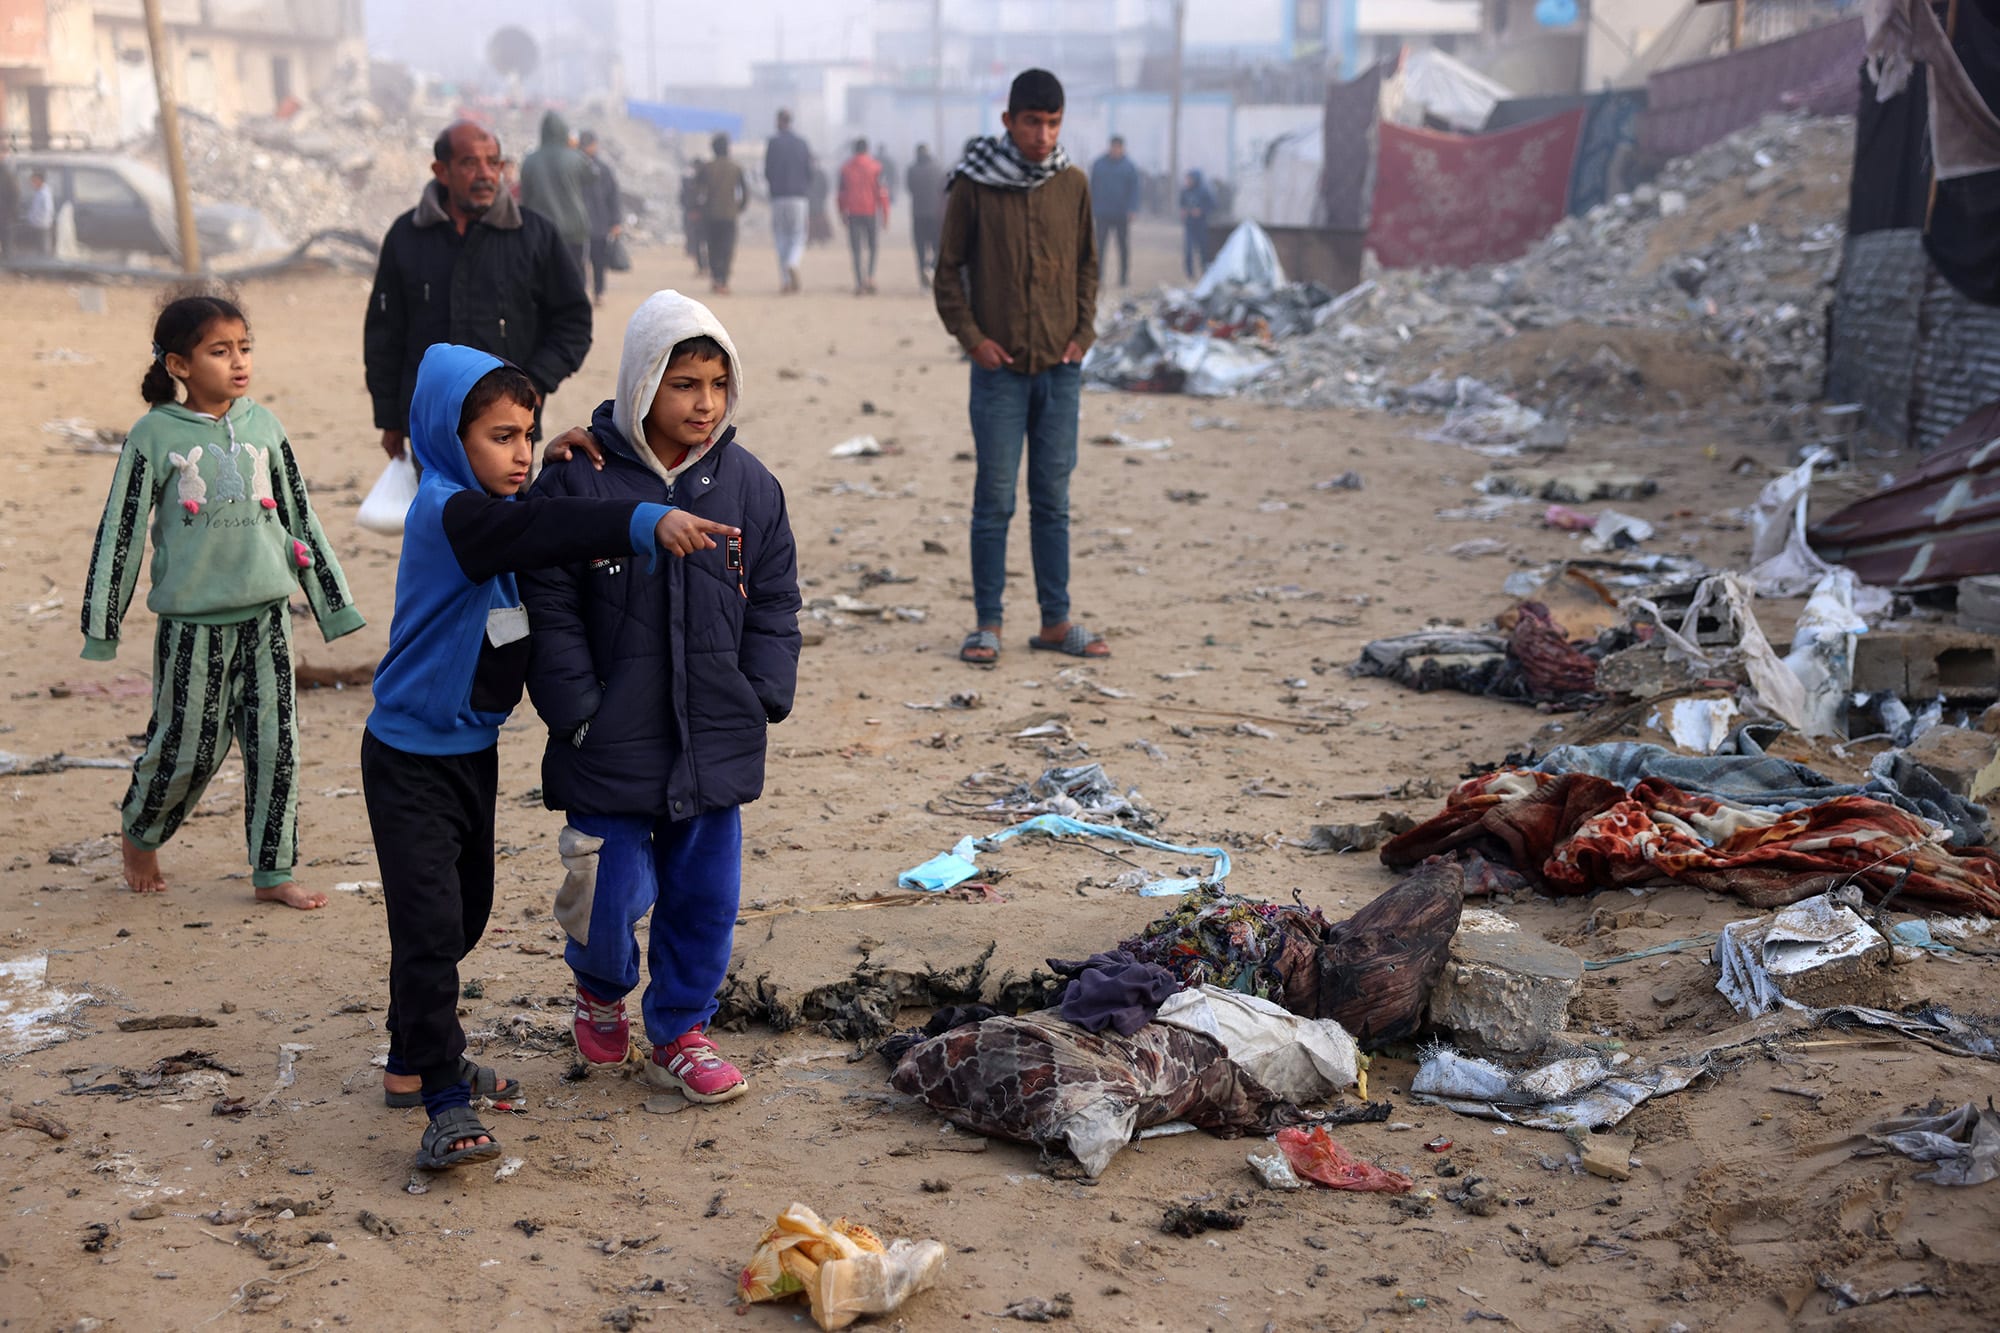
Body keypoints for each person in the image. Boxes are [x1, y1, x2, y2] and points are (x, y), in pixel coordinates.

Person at [361, 343, 739, 1170]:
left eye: (528, 434)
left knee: (462, 915)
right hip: (408, 760)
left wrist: (541, 469)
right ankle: (446, 1104)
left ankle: (409, 1059)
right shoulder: (447, 514)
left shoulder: (491, 500)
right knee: (428, 932)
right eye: (500, 437)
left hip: (470, 753)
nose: (522, 452)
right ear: (443, 435)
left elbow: (526, 509)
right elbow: (535, 530)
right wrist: (643, 518)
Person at [522, 291, 800, 1104]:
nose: (704, 402)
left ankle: (679, 1029)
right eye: (685, 383)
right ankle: (600, 984)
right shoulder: (580, 480)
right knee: (609, 892)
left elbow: (776, 598)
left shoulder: (750, 486)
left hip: (716, 735)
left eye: (717, 382)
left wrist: (762, 693)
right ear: (645, 382)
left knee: (704, 899)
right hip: (608, 737)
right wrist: (576, 706)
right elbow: (547, 597)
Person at [82, 293, 364, 911]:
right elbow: (122, 529)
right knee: (191, 744)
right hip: (192, 626)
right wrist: (102, 624)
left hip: (267, 616)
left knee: (276, 744)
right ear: (180, 365)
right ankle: (141, 830)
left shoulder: (265, 427)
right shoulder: (153, 435)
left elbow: (298, 514)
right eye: (220, 350)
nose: (238, 362)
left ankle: (273, 872)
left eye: (245, 348)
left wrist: (332, 605)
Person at [933, 69, 1103, 667]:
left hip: (1060, 370)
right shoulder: (976, 187)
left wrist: (1083, 333)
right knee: (995, 499)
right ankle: (988, 623)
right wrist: (973, 339)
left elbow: (1088, 265)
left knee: (1052, 500)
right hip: (999, 372)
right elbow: (947, 272)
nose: (1043, 134)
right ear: (1008, 122)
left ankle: (1055, 623)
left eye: (1053, 122)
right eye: (1032, 121)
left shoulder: (1073, 184)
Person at [365, 121, 591, 457]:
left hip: (509, 429)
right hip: (431, 425)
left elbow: (574, 321)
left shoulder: (535, 235)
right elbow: (385, 335)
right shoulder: (407, 237)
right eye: (470, 163)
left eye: (493, 162)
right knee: (438, 510)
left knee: (509, 511)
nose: (485, 174)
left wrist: (536, 382)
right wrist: (389, 419)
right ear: (442, 171)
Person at [518, 110, 594, 276]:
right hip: (573, 230)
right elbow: (593, 175)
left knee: (542, 276)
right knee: (573, 275)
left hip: (539, 231)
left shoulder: (530, 160)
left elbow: (525, 196)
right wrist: (574, 149)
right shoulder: (574, 157)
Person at [765, 109, 813, 293]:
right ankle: (793, 263)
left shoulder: (773, 143)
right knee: (798, 236)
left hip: (778, 197)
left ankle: (785, 280)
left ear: (778, 121)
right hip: (798, 197)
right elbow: (810, 172)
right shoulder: (802, 143)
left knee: (781, 238)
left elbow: (767, 171)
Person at [837, 138, 889, 296]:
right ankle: (871, 277)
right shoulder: (876, 167)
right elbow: (882, 193)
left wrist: (842, 213)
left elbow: (841, 194)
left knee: (856, 249)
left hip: (853, 213)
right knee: (873, 246)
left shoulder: (845, 168)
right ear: (867, 150)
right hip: (871, 212)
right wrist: (885, 215)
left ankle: (859, 282)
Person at [697, 133, 746, 295]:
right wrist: (739, 207)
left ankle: (716, 278)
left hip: (710, 214)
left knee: (713, 247)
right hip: (730, 215)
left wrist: (700, 208)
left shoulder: (706, 167)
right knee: (727, 248)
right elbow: (745, 192)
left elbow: (698, 190)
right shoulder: (736, 168)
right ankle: (724, 280)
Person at [578, 129, 623, 306]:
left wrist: (616, 221)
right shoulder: (574, 168)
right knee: (580, 261)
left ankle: (598, 292)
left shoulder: (603, 169)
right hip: (580, 224)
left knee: (598, 260)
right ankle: (581, 293)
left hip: (599, 222)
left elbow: (613, 196)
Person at [1090, 136, 1140, 288]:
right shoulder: (1099, 165)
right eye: (1113, 147)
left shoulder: (1129, 167)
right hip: (1103, 213)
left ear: (1122, 148)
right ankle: (1098, 277)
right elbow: (1092, 188)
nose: (1116, 150)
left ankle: (1123, 278)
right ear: (1110, 147)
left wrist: (1133, 209)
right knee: (1100, 247)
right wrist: (1090, 207)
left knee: (1123, 247)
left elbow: (1134, 190)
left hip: (1122, 214)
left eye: (1118, 148)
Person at [906, 144, 944, 288]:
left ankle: (923, 279)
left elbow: (909, 188)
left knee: (920, 248)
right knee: (937, 247)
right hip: (935, 214)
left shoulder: (912, 169)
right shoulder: (938, 168)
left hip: (918, 214)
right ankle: (932, 268)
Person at [1179, 168, 1215, 281]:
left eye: (1189, 179)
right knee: (1188, 251)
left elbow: (1212, 205)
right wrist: (1183, 211)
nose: (1187, 181)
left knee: (1203, 251)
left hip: (1201, 226)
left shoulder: (1204, 191)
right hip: (1189, 225)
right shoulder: (1185, 192)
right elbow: (1181, 203)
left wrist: (1201, 211)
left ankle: (1205, 272)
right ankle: (1190, 275)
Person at [680, 155, 707, 275]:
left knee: (697, 241)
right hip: (700, 215)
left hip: (696, 215)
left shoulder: (691, 180)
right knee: (700, 242)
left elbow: (683, 198)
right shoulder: (695, 180)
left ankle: (702, 266)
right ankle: (703, 265)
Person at [22, 169, 54, 256]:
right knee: (38, 249)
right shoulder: (39, 192)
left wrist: (37, 220)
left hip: (42, 226)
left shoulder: (44, 193)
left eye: (34, 181)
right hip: (37, 225)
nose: (32, 183)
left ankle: (44, 264)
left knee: (43, 249)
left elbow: (47, 210)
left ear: (39, 180)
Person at [807, 161, 833, 245]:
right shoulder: (807, 173)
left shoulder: (820, 174)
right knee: (810, 221)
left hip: (817, 201)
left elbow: (825, 188)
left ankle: (821, 239)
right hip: (811, 201)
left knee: (818, 220)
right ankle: (811, 239)